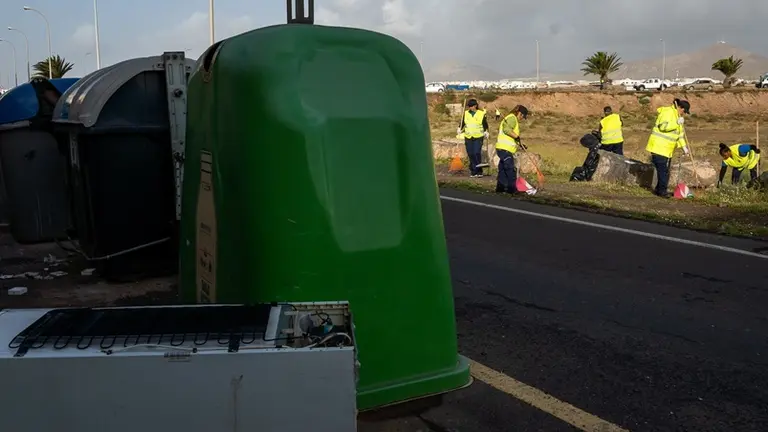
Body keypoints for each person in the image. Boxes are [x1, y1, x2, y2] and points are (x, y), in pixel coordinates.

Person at [646, 98, 690, 198]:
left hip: (667, 149)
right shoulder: (667, 112)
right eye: (684, 111)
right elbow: (663, 127)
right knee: (663, 171)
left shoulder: (678, 116)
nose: (684, 114)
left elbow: (679, 135)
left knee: (664, 171)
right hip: (659, 147)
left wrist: (684, 147)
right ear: (681, 108)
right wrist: (676, 123)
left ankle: (659, 189)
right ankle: (662, 191)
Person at [494, 105, 529, 194]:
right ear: (520, 113)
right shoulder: (512, 118)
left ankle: (501, 188)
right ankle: (512, 189)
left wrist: (520, 144)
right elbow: (507, 130)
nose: (522, 118)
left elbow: (511, 136)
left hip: (502, 148)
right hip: (505, 149)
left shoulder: (511, 118)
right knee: (510, 169)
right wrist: (516, 136)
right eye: (522, 116)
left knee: (502, 169)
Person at [457, 99, 489, 178]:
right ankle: (473, 171)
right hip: (468, 136)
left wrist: (486, 131)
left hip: (478, 136)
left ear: (475, 106)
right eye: (469, 106)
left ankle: (479, 171)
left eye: (471, 106)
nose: (470, 108)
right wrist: (459, 128)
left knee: (476, 153)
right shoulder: (466, 113)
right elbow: (462, 123)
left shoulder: (481, 113)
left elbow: (485, 124)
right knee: (470, 154)